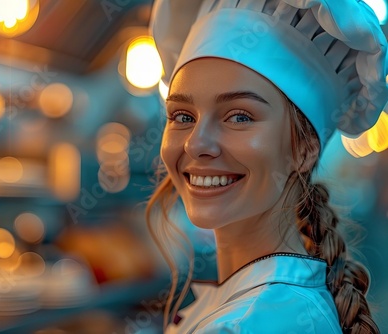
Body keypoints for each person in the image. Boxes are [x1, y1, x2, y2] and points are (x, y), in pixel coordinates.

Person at [145, 0, 388, 333]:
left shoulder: (259, 322)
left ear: (304, 149)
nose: (195, 144)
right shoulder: (259, 303)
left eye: (240, 116)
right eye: (183, 116)